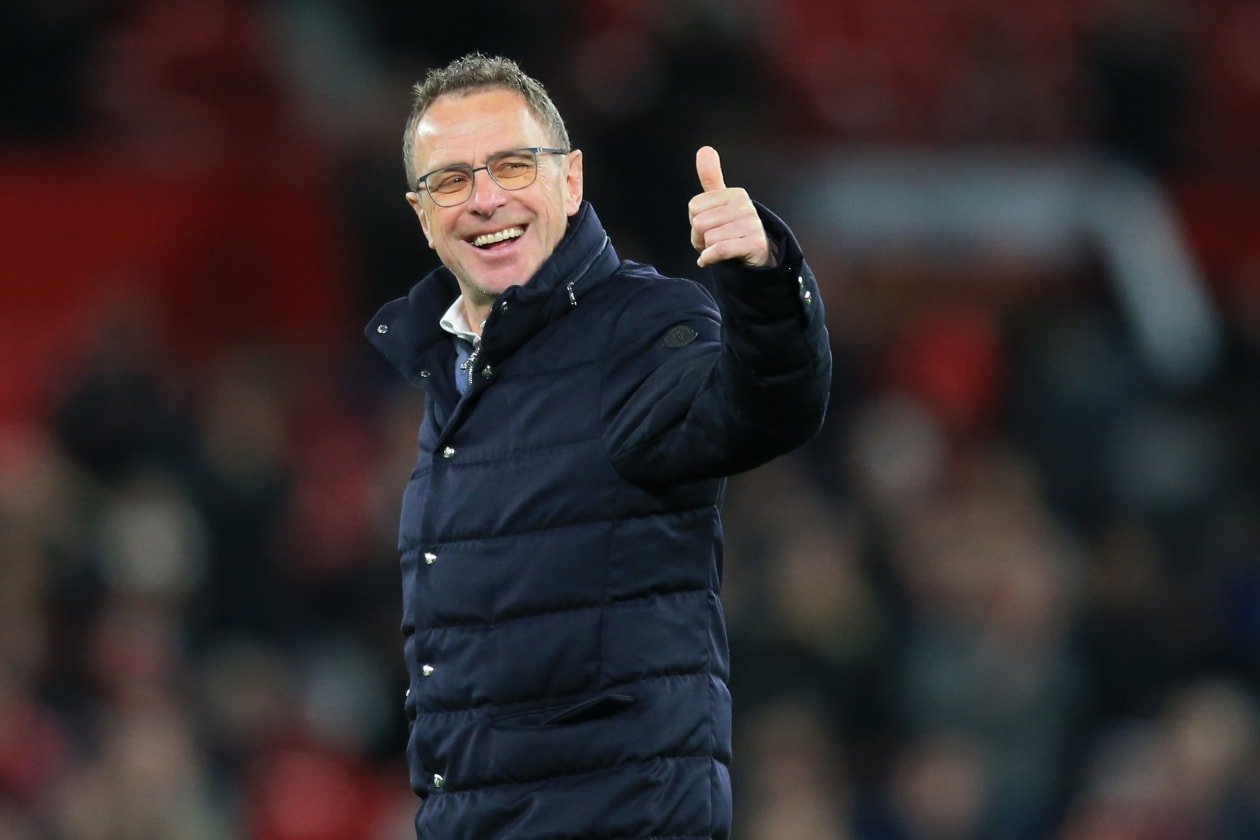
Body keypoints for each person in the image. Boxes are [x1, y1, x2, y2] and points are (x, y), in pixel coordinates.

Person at [366, 53, 831, 839]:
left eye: (513, 166)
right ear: (421, 213)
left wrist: (763, 280)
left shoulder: (640, 329)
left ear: (571, 179)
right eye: (451, 180)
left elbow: (767, 407)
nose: (485, 199)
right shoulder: (452, 369)